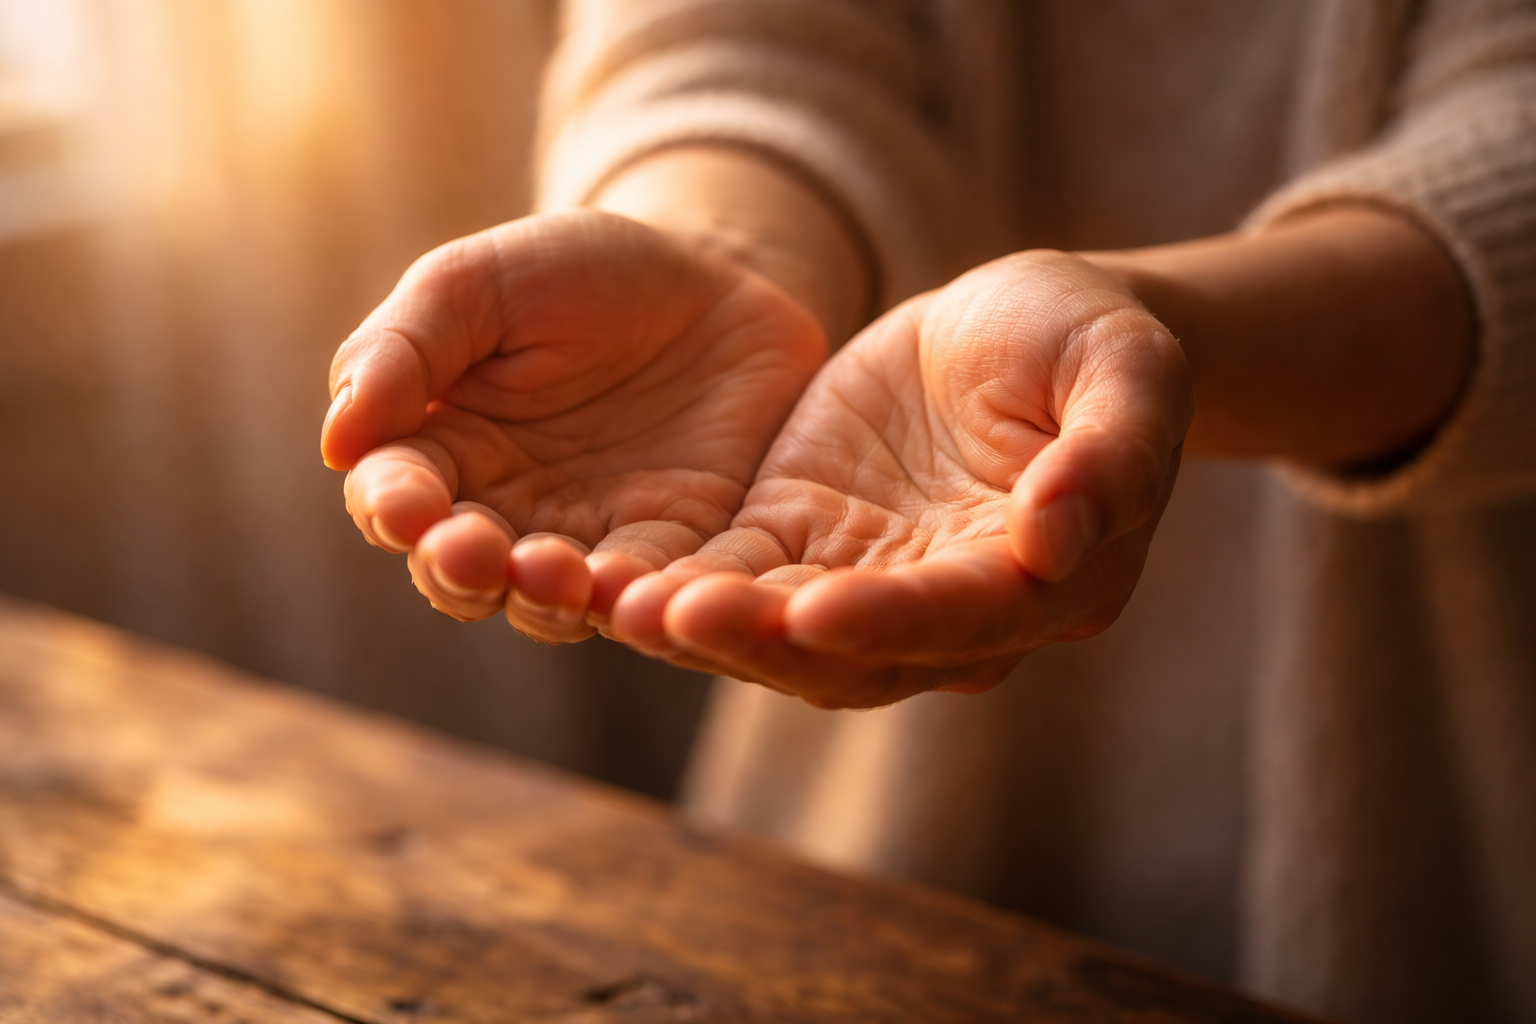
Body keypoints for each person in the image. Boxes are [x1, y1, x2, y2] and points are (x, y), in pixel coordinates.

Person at [320, 1, 1536, 1020]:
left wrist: (1153, 332)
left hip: (1442, 808)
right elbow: (727, 35)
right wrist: (717, 246)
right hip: (878, 797)